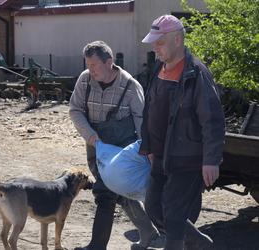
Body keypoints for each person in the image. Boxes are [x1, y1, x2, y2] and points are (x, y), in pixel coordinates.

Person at [139, 15, 225, 250]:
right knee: (154, 208)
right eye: (154, 43)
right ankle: (198, 242)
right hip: (160, 155)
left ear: (177, 39)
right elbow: (150, 109)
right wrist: (147, 146)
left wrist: (211, 160)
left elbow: (213, 120)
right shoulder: (158, 67)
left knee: (174, 216)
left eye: (160, 42)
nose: (155, 48)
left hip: (186, 157)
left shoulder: (196, 73)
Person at [69, 40, 158, 250]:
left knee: (104, 193)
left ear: (109, 62)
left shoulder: (130, 86)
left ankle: (97, 246)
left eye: (94, 66)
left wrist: (148, 152)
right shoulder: (85, 80)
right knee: (119, 191)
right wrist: (91, 136)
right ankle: (147, 230)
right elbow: (75, 110)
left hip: (122, 150)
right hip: (96, 145)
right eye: (87, 65)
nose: (89, 70)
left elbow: (142, 122)